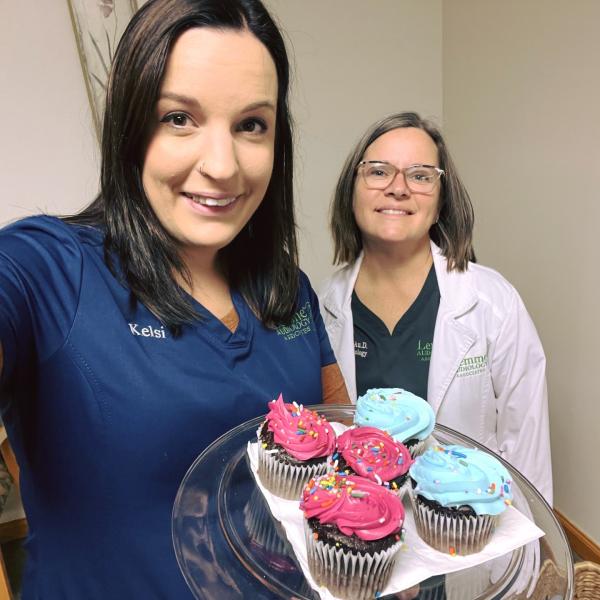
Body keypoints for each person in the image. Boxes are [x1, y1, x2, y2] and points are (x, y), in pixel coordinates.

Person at [0, 1, 348, 597]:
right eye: (179, 118)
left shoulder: (287, 288)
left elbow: (337, 441)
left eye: (251, 124)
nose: (222, 166)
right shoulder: (51, 271)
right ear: (131, 125)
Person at [319, 112, 552, 504]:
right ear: (351, 190)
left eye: (421, 175)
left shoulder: (493, 303)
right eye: (378, 172)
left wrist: (530, 556)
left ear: (442, 198)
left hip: (471, 540)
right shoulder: (322, 306)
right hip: (358, 546)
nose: (398, 188)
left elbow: (528, 451)